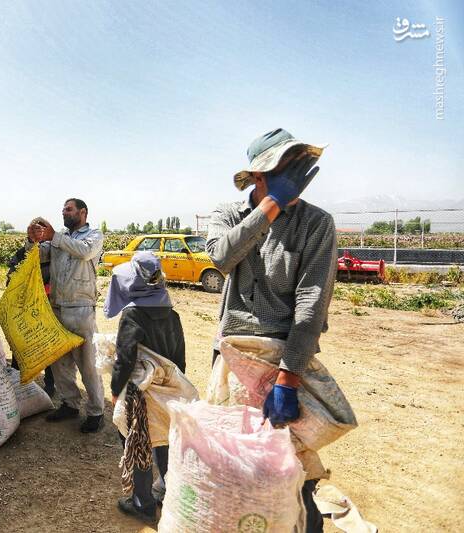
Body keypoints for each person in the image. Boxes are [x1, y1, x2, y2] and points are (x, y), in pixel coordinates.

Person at [206, 128, 336, 532]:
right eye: (286, 167)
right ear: (260, 176)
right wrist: (270, 206)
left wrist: (288, 376)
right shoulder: (229, 215)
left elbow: (311, 303)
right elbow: (222, 258)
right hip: (232, 353)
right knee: (234, 460)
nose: (297, 174)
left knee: (294, 468)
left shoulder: (316, 223)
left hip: (284, 357)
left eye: (299, 165)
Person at [105, 252, 185, 525]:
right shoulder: (170, 311)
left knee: (135, 441)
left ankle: (143, 503)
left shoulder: (133, 314)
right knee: (163, 439)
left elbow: (124, 358)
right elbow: (179, 356)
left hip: (139, 391)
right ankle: (170, 492)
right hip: (165, 389)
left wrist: (116, 390)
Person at [26, 198, 106, 433]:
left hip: (80, 309)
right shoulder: (58, 238)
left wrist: (55, 237)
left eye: (69, 209)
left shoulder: (93, 235)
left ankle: (96, 412)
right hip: (58, 308)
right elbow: (39, 256)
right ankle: (70, 404)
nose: (64, 212)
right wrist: (32, 240)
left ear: (83, 212)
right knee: (60, 363)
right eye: (62, 209)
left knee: (88, 363)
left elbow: (84, 252)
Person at [6, 227, 55, 396]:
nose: (36, 238)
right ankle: (17, 382)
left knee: (48, 347)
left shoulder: (54, 255)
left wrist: (45, 291)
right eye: (33, 234)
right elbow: (10, 280)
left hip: (47, 308)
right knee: (20, 345)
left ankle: (50, 384)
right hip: (25, 308)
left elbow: (61, 280)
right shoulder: (21, 255)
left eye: (40, 234)